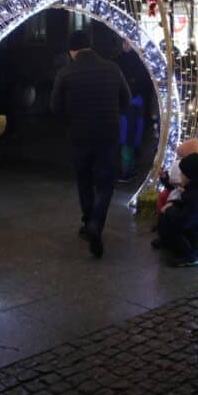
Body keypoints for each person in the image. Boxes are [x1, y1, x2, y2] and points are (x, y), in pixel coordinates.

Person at [50, 30, 132, 258]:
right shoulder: (112, 68)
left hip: (79, 135)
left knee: (84, 180)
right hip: (108, 134)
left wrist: (70, 119)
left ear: (72, 51)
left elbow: (55, 107)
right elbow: (126, 98)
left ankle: (89, 223)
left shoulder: (65, 72)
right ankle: (97, 223)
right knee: (106, 183)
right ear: (90, 46)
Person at [155, 152, 198, 266]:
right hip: (187, 220)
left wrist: (170, 209)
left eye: (183, 174)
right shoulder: (195, 186)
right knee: (165, 214)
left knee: (171, 221)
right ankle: (167, 242)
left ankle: (190, 256)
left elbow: (186, 221)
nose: (180, 176)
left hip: (193, 229)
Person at [114, 40, 151, 182]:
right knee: (131, 140)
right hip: (137, 105)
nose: (125, 45)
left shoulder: (120, 62)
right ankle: (130, 169)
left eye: (126, 42)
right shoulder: (141, 61)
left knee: (126, 140)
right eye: (123, 42)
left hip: (128, 106)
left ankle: (127, 172)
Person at [156, 138, 198, 214]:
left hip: (180, 202)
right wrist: (164, 177)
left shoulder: (196, 171)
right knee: (163, 195)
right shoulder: (180, 165)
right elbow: (171, 185)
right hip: (175, 197)